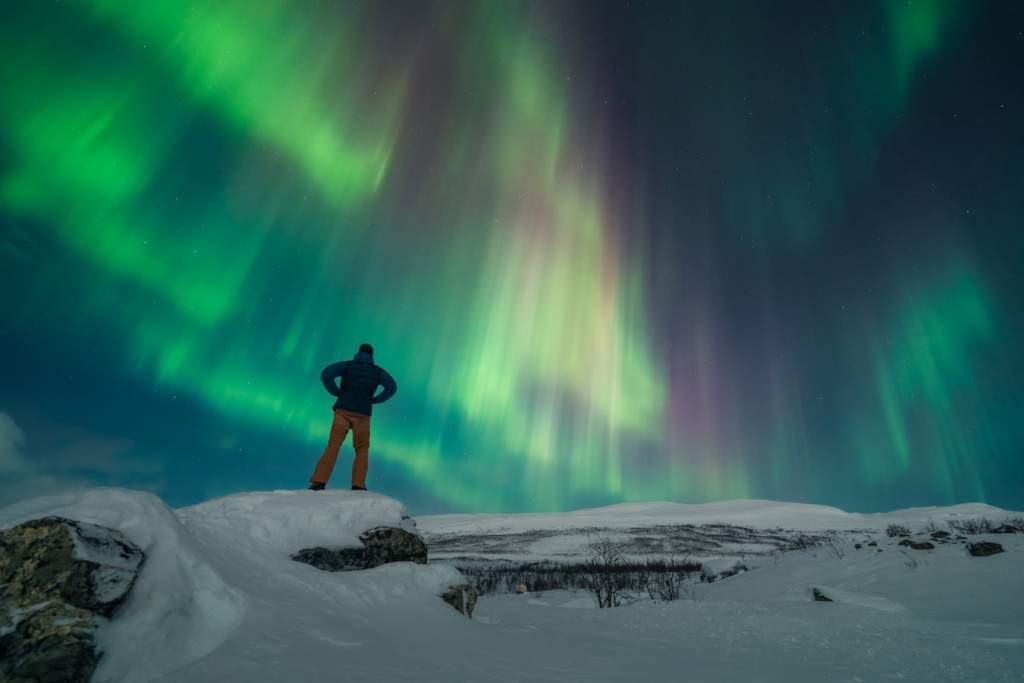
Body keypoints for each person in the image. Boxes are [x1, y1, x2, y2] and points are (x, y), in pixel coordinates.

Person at [308, 343, 397, 491]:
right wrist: (375, 399)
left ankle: (318, 481)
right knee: (362, 449)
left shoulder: (348, 366)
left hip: (342, 411)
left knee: (333, 446)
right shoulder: (378, 372)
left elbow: (326, 374)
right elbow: (392, 387)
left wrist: (336, 392)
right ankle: (358, 485)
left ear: (358, 353)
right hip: (363, 415)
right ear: (372, 356)